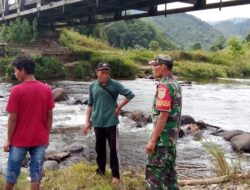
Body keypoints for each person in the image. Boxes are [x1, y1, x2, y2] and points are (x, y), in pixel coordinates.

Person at [3, 55, 55, 190]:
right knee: (36, 172)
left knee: (12, 172)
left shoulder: (16, 90)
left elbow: (12, 118)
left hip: (20, 140)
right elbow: (49, 116)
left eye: (15, 71)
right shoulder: (46, 89)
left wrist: (8, 140)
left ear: (22, 70)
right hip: (40, 139)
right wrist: (46, 136)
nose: (15, 74)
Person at [83, 62, 135, 184]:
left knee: (113, 150)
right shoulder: (92, 86)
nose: (105, 75)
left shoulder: (115, 84)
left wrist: (119, 107)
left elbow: (130, 94)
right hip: (97, 122)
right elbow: (90, 104)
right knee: (99, 148)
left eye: (107, 72)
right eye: (102, 72)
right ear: (97, 72)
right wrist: (87, 121)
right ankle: (100, 171)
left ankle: (115, 175)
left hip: (111, 122)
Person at [146, 55, 182, 190]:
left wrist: (153, 141)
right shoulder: (175, 83)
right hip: (171, 140)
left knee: (154, 177)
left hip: (162, 140)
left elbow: (163, 115)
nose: (153, 68)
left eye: (155, 65)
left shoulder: (164, 86)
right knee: (170, 177)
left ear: (164, 67)